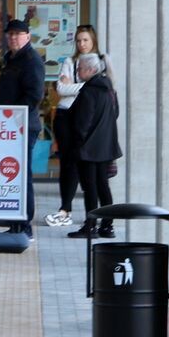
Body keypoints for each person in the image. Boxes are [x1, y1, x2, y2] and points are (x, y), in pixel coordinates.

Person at [45, 25, 113, 227]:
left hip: (91, 121)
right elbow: (61, 89)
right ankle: (65, 209)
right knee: (68, 164)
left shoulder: (102, 61)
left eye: (85, 40)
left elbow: (105, 88)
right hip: (67, 116)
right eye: (78, 40)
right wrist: (87, 85)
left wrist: (78, 85)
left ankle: (98, 221)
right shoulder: (70, 61)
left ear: (93, 41)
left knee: (93, 174)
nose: (82, 44)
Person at [0, 19, 45, 236]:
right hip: (8, 127)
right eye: (10, 34)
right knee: (10, 173)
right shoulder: (10, 58)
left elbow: (34, 95)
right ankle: (14, 221)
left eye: (18, 34)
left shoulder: (32, 60)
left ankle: (25, 225)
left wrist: (13, 116)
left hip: (23, 126)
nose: (13, 37)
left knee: (22, 175)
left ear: (28, 36)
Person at [66, 53, 122, 238]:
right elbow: (115, 113)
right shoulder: (109, 89)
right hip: (105, 145)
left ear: (91, 70)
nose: (77, 71)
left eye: (80, 68)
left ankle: (90, 226)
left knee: (90, 188)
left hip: (88, 148)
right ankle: (107, 226)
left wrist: (76, 143)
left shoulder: (89, 91)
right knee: (103, 186)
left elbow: (82, 123)